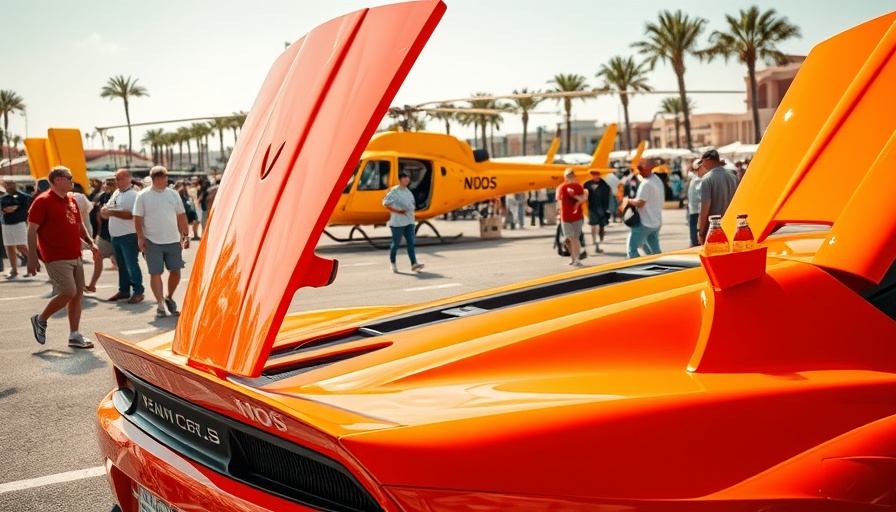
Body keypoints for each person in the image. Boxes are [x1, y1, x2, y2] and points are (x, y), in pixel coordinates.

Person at [26, 166, 99, 349]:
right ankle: (40, 319)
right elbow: (32, 230)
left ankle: (74, 335)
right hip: (55, 255)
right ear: (58, 180)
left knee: (77, 294)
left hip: (75, 253)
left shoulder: (71, 199)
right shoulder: (42, 201)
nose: (72, 181)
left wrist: (90, 242)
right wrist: (32, 257)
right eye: (70, 177)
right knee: (68, 291)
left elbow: (79, 225)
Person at [133, 166, 190, 319]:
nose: (166, 179)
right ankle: (160, 304)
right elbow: (137, 218)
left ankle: (169, 297)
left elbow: (181, 215)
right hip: (152, 241)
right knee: (155, 273)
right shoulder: (143, 196)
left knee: (176, 271)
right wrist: (140, 237)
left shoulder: (173, 194)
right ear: (156, 178)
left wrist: (186, 235)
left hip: (173, 240)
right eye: (164, 176)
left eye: (166, 176)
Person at [101, 168, 144, 303]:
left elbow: (131, 214)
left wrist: (110, 212)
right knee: (122, 265)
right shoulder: (116, 193)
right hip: (116, 235)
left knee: (131, 264)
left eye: (118, 178)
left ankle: (138, 291)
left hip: (128, 235)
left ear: (127, 178)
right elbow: (105, 209)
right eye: (115, 178)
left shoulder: (133, 195)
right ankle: (124, 290)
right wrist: (106, 211)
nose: (116, 181)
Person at [382, 171, 424, 273]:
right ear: (400, 179)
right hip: (397, 223)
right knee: (396, 244)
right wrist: (398, 212)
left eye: (408, 177)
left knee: (411, 243)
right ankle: (393, 263)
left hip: (409, 222)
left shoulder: (409, 192)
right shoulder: (395, 191)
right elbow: (385, 203)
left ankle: (414, 264)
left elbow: (412, 206)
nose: (407, 179)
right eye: (405, 177)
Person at [696, 149, 739, 245]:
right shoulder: (732, 176)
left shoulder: (707, 179)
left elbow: (704, 208)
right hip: (732, 224)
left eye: (702, 161)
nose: (702, 165)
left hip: (714, 228)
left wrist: (701, 232)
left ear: (708, 160)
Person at [625, 158, 664, 258]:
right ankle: (659, 263)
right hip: (656, 221)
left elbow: (640, 203)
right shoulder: (657, 180)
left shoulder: (646, 183)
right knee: (655, 249)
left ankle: (635, 266)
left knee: (632, 249)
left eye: (640, 169)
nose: (639, 172)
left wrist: (629, 201)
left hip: (645, 222)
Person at [86, 179, 117, 292]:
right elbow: (99, 216)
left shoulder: (122, 196)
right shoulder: (104, 196)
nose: (107, 186)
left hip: (120, 235)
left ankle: (131, 288)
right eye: (106, 183)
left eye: (110, 183)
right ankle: (92, 285)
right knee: (98, 258)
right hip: (104, 234)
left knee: (124, 265)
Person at [1, 179, 32, 278]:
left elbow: (25, 210)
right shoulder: (4, 197)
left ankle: (33, 264)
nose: (8, 187)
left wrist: (14, 210)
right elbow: (2, 209)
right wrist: (4, 210)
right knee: (9, 247)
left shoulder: (23, 196)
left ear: (14, 185)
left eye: (10, 184)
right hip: (6, 224)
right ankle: (14, 269)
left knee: (21, 246)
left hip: (19, 223)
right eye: (6, 185)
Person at [557, 168, 588, 266]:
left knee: (575, 238)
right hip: (565, 216)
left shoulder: (578, 186)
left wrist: (574, 195)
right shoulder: (562, 187)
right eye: (567, 176)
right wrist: (559, 213)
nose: (569, 177)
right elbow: (559, 200)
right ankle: (573, 257)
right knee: (568, 239)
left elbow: (583, 198)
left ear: (574, 176)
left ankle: (577, 259)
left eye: (570, 175)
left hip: (576, 216)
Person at [583, 170, 611, 253]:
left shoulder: (604, 184)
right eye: (594, 174)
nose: (595, 176)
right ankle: (595, 242)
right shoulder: (587, 184)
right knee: (593, 225)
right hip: (592, 207)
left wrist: (607, 208)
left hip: (602, 207)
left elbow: (607, 196)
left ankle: (600, 240)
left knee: (602, 225)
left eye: (597, 174)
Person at [686, 159, 705, 247]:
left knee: (695, 236)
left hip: (696, 211)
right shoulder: (696, 179)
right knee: (694, 235)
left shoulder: (698, 180)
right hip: (693, 210)